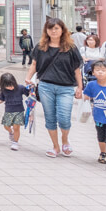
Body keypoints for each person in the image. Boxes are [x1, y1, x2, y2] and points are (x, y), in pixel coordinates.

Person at [25, 18, 83, 158]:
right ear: (46, 30)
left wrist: (80, 87)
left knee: (64, 118)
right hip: (46, 86)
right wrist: (28, 77)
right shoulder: (40, 46)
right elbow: (34, 64)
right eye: (50, 28)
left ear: (62, 30)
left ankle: (65, 140)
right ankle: (55, 146)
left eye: (56, 28)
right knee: (50, 118)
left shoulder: (71, 48)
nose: (53, 31)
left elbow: (77, 69)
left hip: (66, 88)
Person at [0, 73, 30, 151]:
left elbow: (29, 94)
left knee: (16, 127)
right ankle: (10, 132)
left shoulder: (20, 88)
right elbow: (1, 99)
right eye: (8, 86)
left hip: (19, 111)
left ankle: (15, 142)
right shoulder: (4, 91)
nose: (10, 87)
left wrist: (32, 89)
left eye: (12, 85)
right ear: (3, 85)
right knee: (6, 126)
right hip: (8, 111)